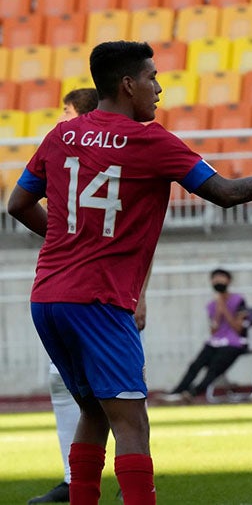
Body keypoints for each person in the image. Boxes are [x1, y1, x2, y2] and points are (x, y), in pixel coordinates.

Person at [7, 40, 252, 505]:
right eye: (151, 78)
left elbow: (17, 204)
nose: (158, 88)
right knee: (132, 423)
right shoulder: (151, 140)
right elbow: (224, 192)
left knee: (92, 412)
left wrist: (69, 242)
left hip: (48, 297)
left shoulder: (63, 135)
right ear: (127, 84)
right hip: (99, 302)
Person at [28, 87, 102, 505]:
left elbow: (19, 202)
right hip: (64, 283)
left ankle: (123, 481)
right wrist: (62, 239)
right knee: (68, 386)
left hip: (102, 290)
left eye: (67, 113)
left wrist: (140, 293)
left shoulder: (111, 157)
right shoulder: (65, 156)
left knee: (119, 397)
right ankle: (74, 479)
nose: (62, 121)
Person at [160, 268, 249, 402]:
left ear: (229, 281)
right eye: (215, 279)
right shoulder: (212, 305)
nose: (218, 281)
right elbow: (214, 330)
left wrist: (224, 308)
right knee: (196, 365)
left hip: (235, 343)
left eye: (221, 278)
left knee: (215, 366)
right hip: (216, 341)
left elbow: (238, 329)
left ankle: (193, 393)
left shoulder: (239, 301)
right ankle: (177, 392)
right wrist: (218, 312)